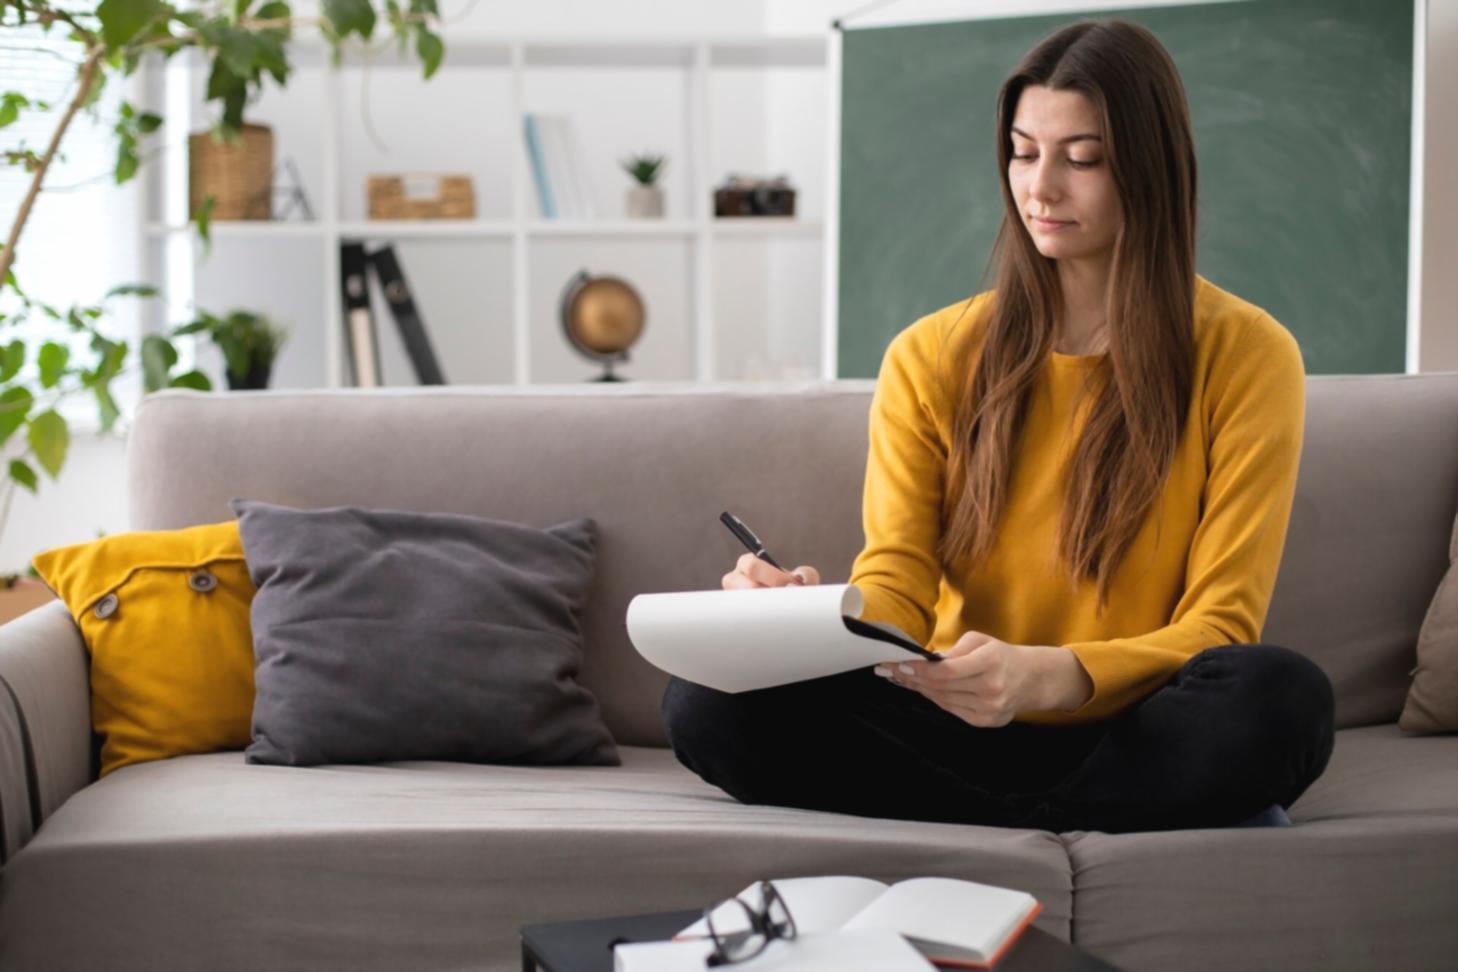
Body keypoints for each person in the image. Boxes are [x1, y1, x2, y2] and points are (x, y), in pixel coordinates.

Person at [661, 18, 1335, 835]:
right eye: (1023, 152)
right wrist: (815, 625)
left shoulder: (1248, 354)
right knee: (705, 699)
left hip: (1137, 729)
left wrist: (1050, 676)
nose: (1041, 189)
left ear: (1150, 166)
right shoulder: (932, 353)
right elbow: (901, 582)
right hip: (953, 721)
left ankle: (984, 823)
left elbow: (1221, 624)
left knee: (1282, 697)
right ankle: (1049, 821)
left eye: (1081, 158)